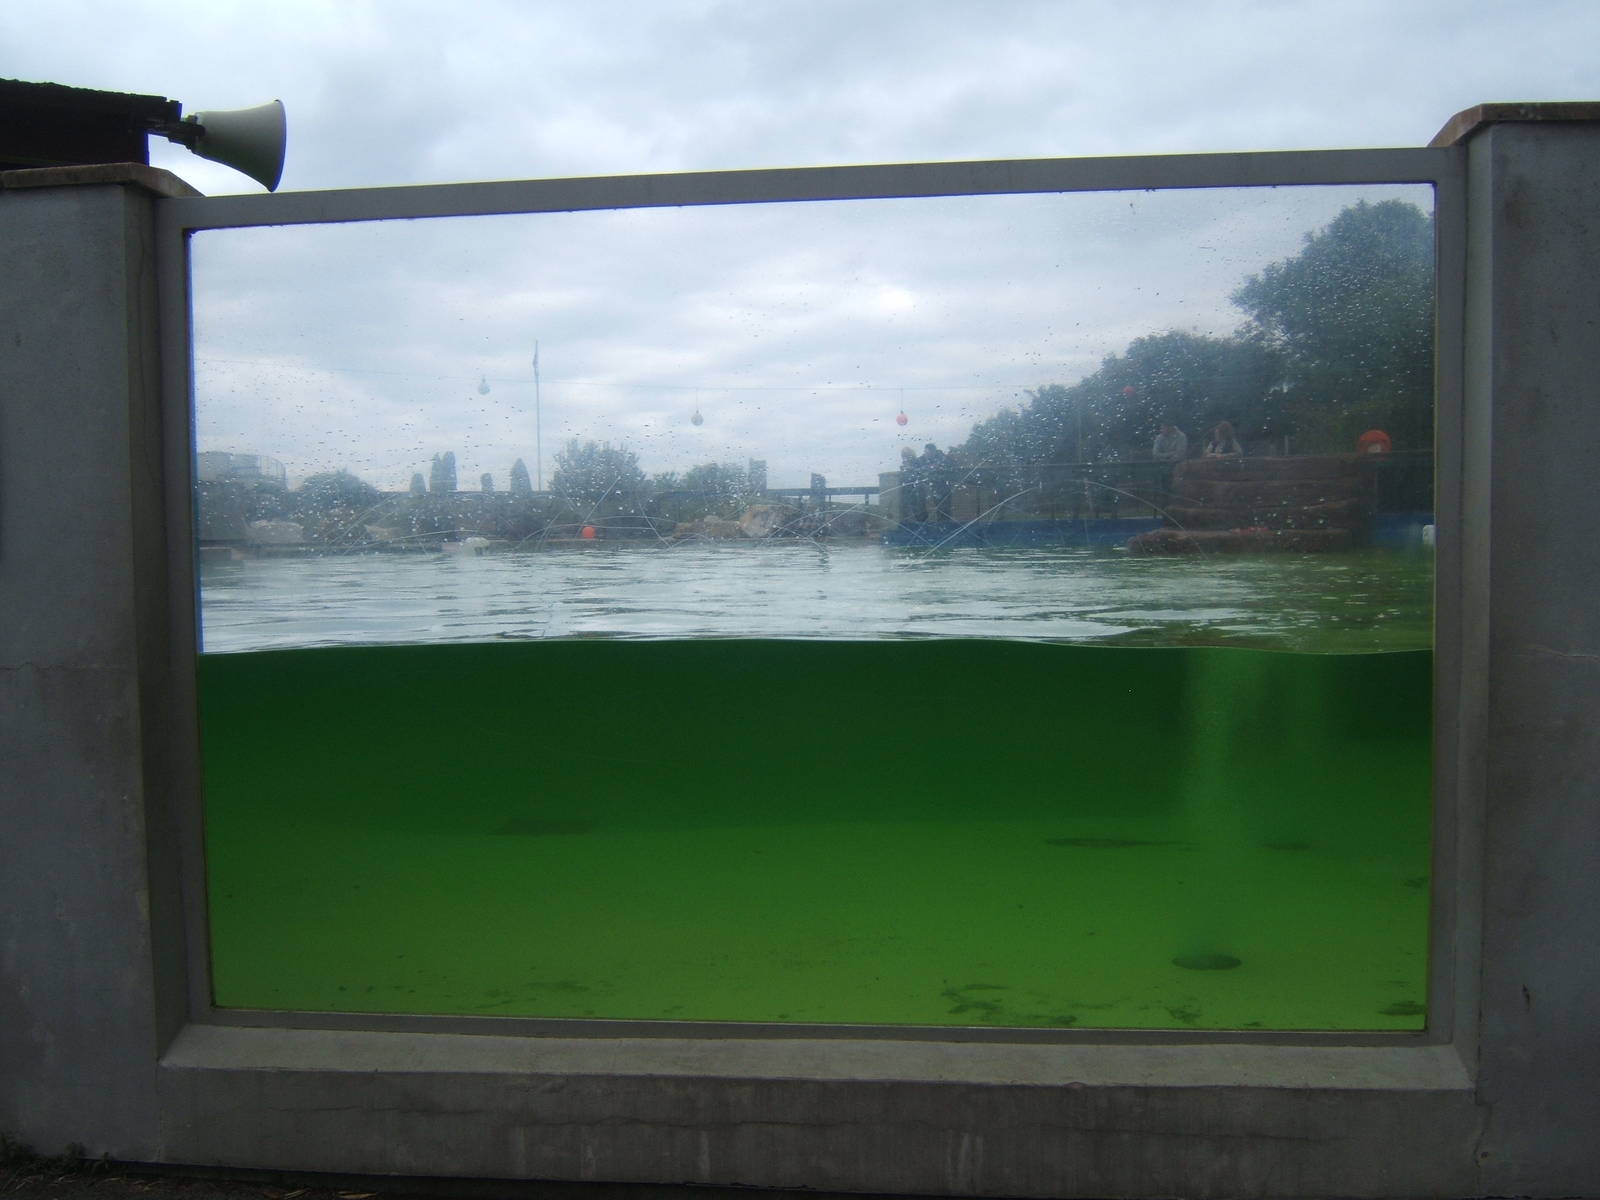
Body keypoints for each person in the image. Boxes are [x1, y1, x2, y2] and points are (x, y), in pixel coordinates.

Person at [919, 443, 955, 521]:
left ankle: (945, 525)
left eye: (929, 453)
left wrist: (937, 468)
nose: (927, 455)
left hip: (943, 488)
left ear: (934, 452)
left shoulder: (943, 459)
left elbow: (951, 468)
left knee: (944, 510)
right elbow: (917, 469)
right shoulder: (921, 460)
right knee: (934, 510)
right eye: (925, 452)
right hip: (929, 489)